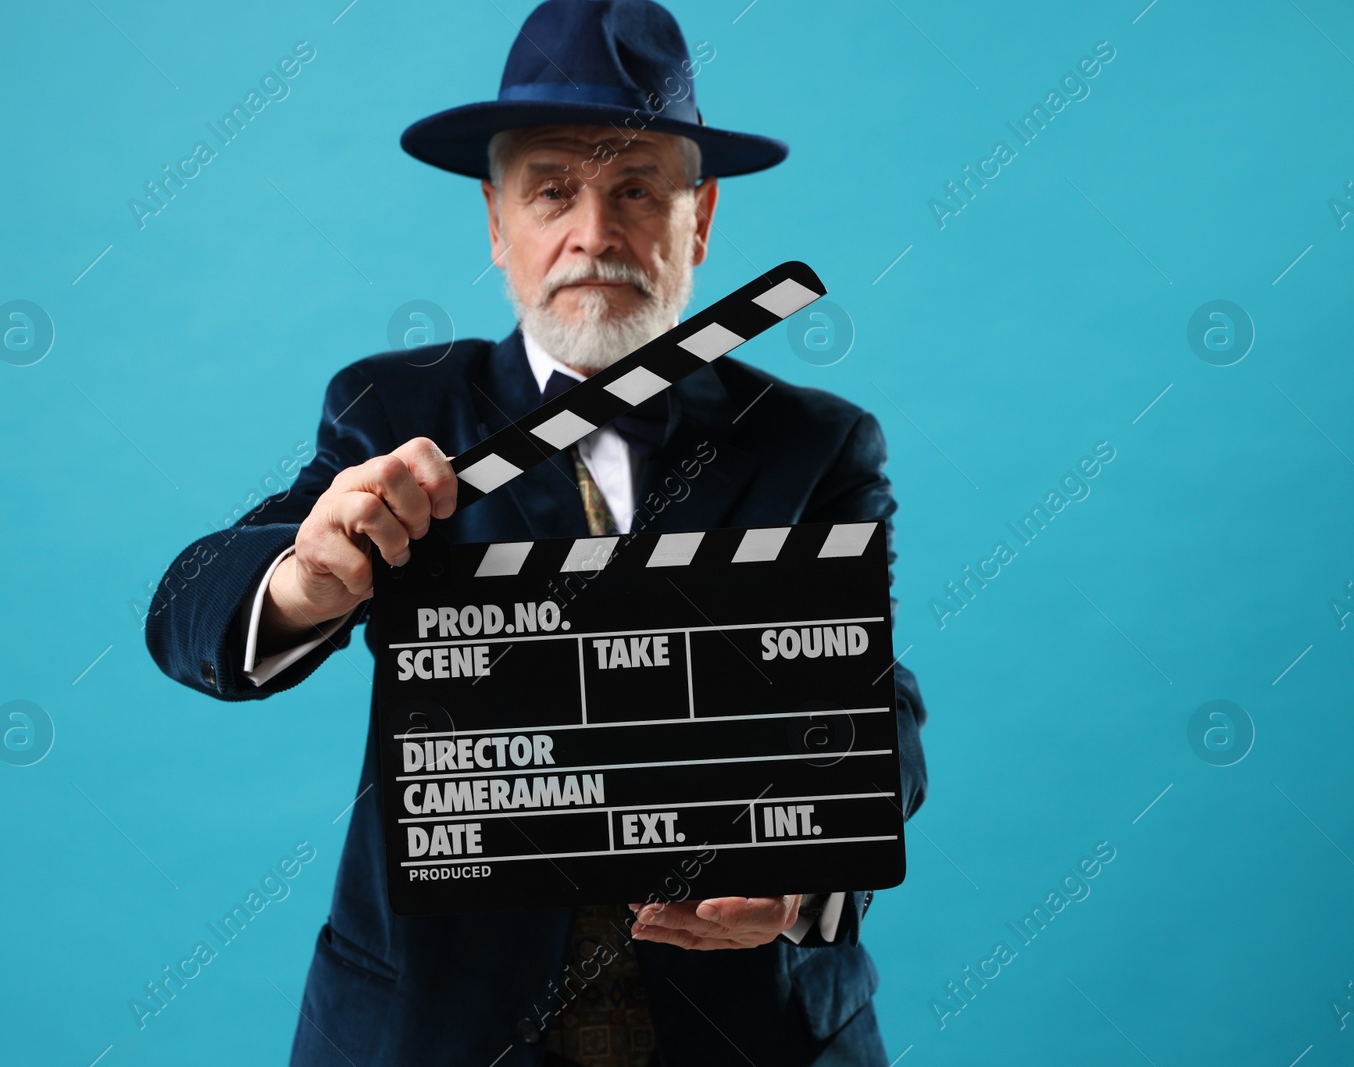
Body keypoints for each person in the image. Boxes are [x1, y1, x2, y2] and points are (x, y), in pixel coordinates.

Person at [145, 1, 929, 1063]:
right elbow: (189, 603)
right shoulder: (396, 412)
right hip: (439, 1024)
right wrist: (303, 579)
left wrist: (807, 873)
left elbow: (875, 703)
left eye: (636, 190)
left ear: (698, 223)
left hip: (749, 1028)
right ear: (495, 222)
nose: (594, 235)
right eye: (553, 190)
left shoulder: (813, 444)